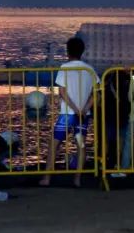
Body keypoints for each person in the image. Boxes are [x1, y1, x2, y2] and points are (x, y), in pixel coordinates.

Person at [39, 37, 98, 187]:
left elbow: (62, 92)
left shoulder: (65, 68)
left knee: (55, 144)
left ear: (68, 51)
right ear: (82, 51)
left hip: (68, 114)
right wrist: (84, 109)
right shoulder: (89, 69)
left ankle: (47, 178)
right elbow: (97, 94)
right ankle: (77, 179)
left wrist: (74, 108)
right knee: (81, 145)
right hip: (82, 115)